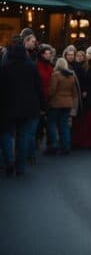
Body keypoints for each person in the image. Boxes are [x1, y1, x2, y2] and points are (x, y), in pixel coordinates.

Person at [0, 41, 45, 176]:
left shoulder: (4, 67)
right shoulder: (31, 67)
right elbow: (39, 88)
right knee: (23, 137)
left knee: (6, 135)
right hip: (28, 108)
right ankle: (20, 167)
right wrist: (43, 105)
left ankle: (9, 161)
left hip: (7, 107)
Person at [45, 58, 78, 155]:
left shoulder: (56, 75)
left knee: (51, 123)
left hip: (56, 103)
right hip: (68, 103)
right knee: (64, 125)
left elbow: (52, 90)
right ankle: (66, 147)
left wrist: (47, 99)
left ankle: (54, 144)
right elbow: (74, 91)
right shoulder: (71, 76)